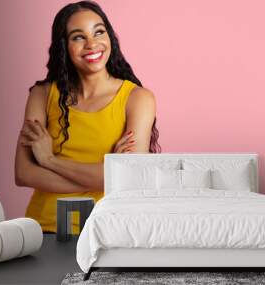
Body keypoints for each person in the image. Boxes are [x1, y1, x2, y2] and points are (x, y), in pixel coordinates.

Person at [14, 1, 161, 233]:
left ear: (110, 37)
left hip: (109, 231)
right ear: (64, 46)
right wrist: (105, 174)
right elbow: (23, 173)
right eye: (78, 37)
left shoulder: (138, 99)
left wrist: (49, 161)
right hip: (44, 230)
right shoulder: (41, 95)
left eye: (99, 32)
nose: (92, 44)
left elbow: (129, 177)